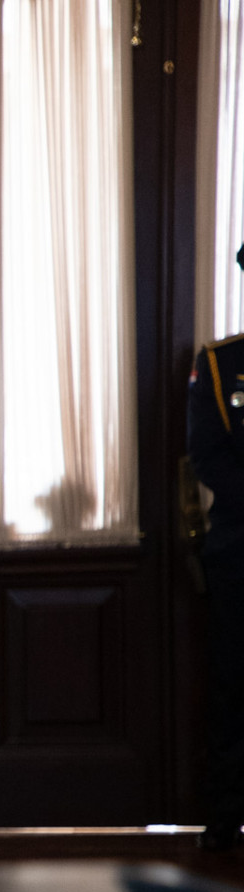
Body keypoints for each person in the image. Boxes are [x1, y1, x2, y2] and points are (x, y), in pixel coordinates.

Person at [188, 244, 244, 851]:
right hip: (240, 554)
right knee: (233, 686)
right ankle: (227, 817)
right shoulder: (222, 365)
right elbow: (207, 455)